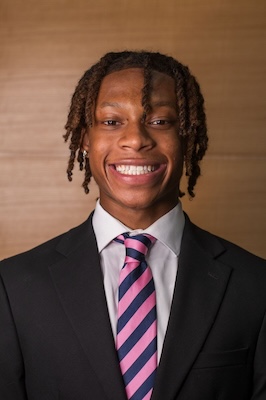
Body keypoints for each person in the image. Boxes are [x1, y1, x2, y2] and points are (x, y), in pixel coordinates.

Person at [0, 51, 265, 400]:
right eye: (111, 122)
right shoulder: (13, 287)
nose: (136, 139)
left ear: (188, 135)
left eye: (160, 121)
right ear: (84, 138)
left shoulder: (255, 286)